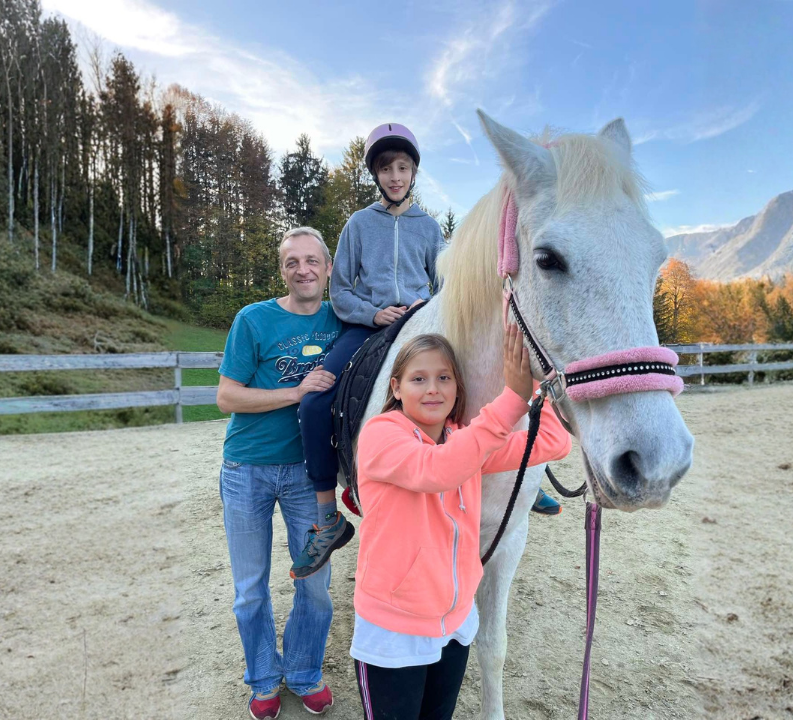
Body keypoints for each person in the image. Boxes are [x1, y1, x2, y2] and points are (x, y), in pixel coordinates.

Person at [350, 326, 571, 719]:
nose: (433, 389)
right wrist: (513, 397)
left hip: (454, 624)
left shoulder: (463, 441)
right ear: (396, 387)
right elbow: (438, 470)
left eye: (444, 378)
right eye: (419, 379)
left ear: (457, 388)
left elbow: (553, 443)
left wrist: (539, 381)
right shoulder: (380, 435)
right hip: (394, 631)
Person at [292, 122, 447, 580]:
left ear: (413, 172)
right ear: (376, 175)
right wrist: (374, 313)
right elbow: (340, 290)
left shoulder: (430, 228)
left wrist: (426, 307)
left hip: (422, 323)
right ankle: (328, 517)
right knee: (314, 400)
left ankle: (524, 474)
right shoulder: (359, 224)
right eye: (386, 169)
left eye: (402, 168)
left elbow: (446, 286)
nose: (395, 176)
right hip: (367, 326)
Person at [215, 227, 343, 719]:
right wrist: (297, 392)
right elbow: (227, 396)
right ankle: (264, 679)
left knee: (315, 585)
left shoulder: (341, 318)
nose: (303, 270)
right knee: (251, 588)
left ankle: (305, 672)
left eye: (312, 261)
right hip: (246, 468)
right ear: (282, 271)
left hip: (309, 475)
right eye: (293, 262)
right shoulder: (253, 319)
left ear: (328, 268)